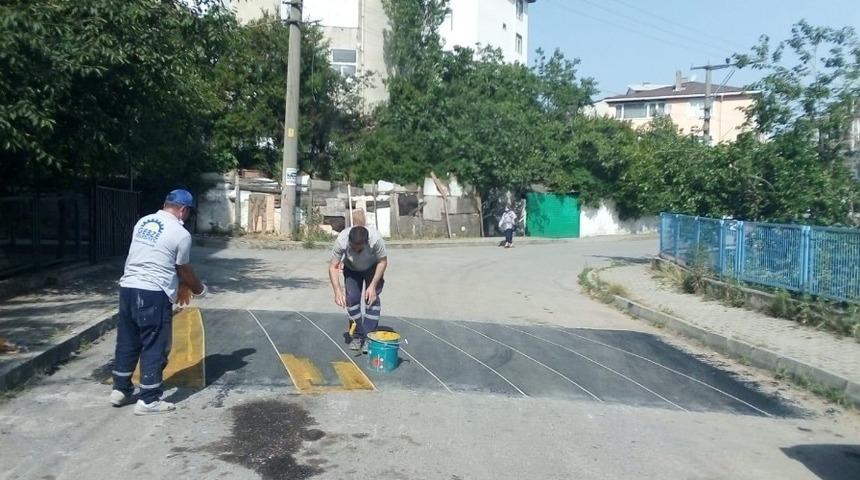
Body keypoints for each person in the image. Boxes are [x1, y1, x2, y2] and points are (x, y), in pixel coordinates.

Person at [110, 189, 207, 415]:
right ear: (183, 210)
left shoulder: (143, 222)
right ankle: (149, 399)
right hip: (153, 293)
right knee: (155, 344)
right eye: (188, 212)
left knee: (128, 340)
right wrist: (198, 289)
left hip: (128, 288)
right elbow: (182, 268)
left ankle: (121, 390)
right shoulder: (180, 234)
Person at [328, 225, 388, 353]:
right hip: (351, 269)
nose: (356, 251)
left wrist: (372, 286)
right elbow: (333, 267)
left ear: (366, 243)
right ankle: (357, 336)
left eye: (359, 249)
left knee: (371, 299)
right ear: (349, 241)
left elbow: (382, 262)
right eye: (353, 248)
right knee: (352, 300)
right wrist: (337, 291)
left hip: (372, 267)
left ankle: (369, 337)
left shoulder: (376, 240)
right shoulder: (341, 241)